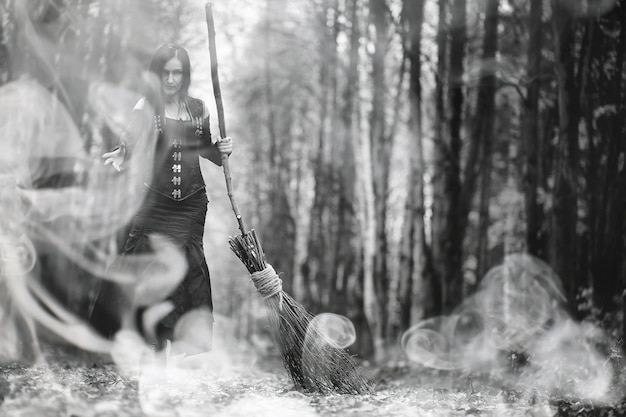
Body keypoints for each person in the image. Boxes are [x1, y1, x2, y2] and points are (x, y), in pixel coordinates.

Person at [92, 43, 232, 351]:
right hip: (154, 202)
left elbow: (205, 149)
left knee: (183, 274)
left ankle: (168, 351)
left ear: (185, 74)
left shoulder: (199, 109)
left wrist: (221, 151)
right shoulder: (147, 106)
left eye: (177, 73)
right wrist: (122, 151)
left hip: (193, 203)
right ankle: (151, 359)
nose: (171, 79)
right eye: (165, 73)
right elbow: (130, 137)